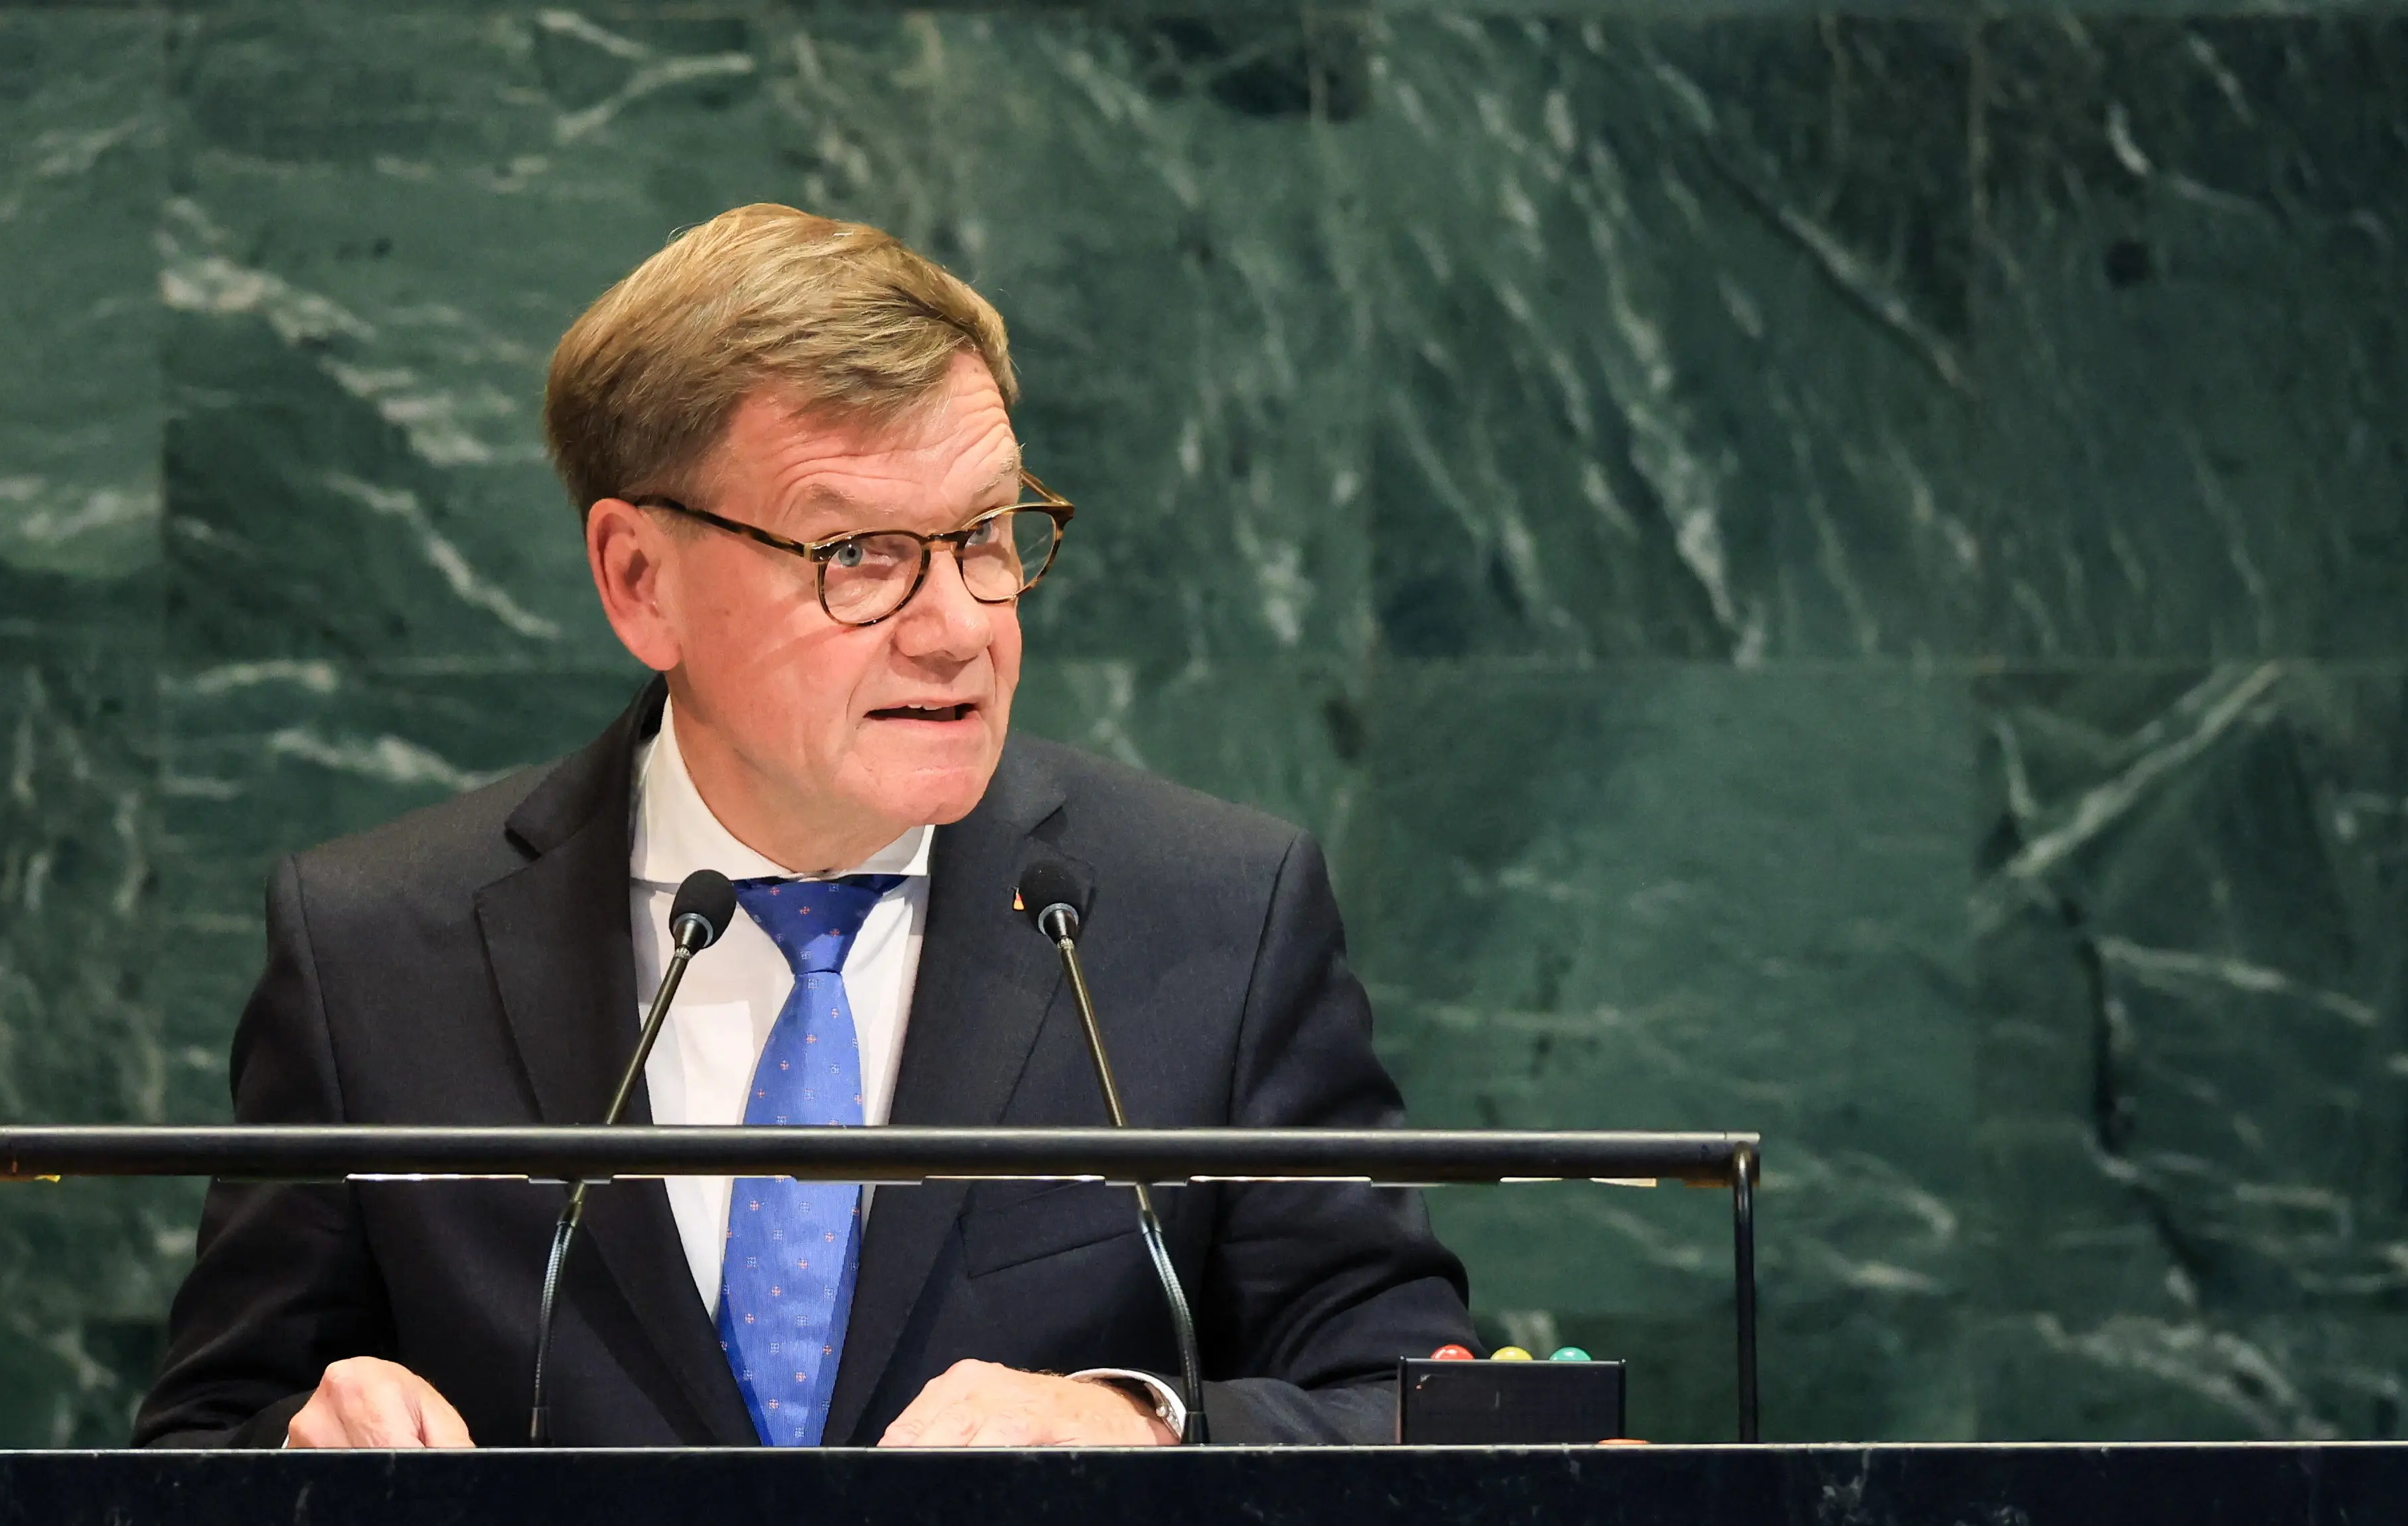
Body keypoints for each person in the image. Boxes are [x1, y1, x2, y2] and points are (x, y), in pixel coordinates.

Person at [134, 205, 1474, 1451]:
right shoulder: (376, 956)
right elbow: (197, 1450)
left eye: (988, 534)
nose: (959, 626)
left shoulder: (1215, 917)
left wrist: (1142, 1424)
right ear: (639, 580)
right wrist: (307, 1448)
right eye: (859, 555)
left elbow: (1416, 1402)